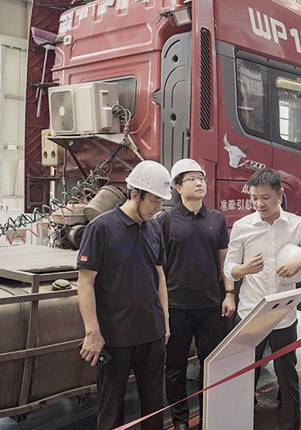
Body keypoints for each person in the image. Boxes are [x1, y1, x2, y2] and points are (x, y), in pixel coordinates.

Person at [224, 168, 301, 430]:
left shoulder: (296, 225)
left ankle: (290, 425)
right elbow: (229, 268)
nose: (259, 204)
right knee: (245, 375)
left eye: (266, 198)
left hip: (283, 315)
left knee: (287, 377)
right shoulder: (242, 227)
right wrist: (244, 269)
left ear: (280, 195)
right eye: (254, 198)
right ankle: (239, 422)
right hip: (251, 314)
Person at [77, 160, 171, 430]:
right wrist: (92, 332)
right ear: (135, 194)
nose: (158, 208)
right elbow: (85, 283)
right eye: (155, 200)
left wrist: (164, 322)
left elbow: (159, 276)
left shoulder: (154, 227)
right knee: (111, 412)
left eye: (161, 201)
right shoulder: (101, 228)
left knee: (153, 410)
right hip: (115, 338)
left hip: (151, 335)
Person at [159, 159, 236, 430]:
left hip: (210, 306)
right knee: (175, 367)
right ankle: (180, 421)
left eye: (201, 178)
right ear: (178, 187)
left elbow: (224, 261)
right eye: (191, 179)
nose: (199, 182)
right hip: (176, 307)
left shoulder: (216, 219)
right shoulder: (166, 220)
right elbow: (159, 268)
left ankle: (208, 418)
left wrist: (229, 293)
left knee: (211, 364)